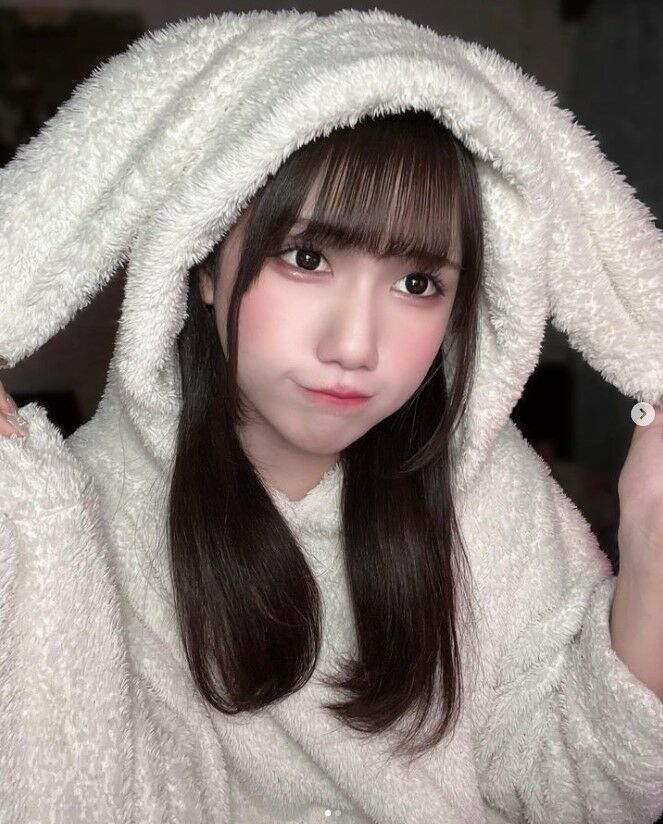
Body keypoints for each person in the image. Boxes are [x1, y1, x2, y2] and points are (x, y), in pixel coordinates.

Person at [1, 8, 662, 824]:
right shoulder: (98, 513)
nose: (355, 346)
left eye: (417, 283)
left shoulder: (492, 491)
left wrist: (651, 545)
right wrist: (29, 533)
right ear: (203, 256)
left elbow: (583, 794)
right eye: (307, 257)